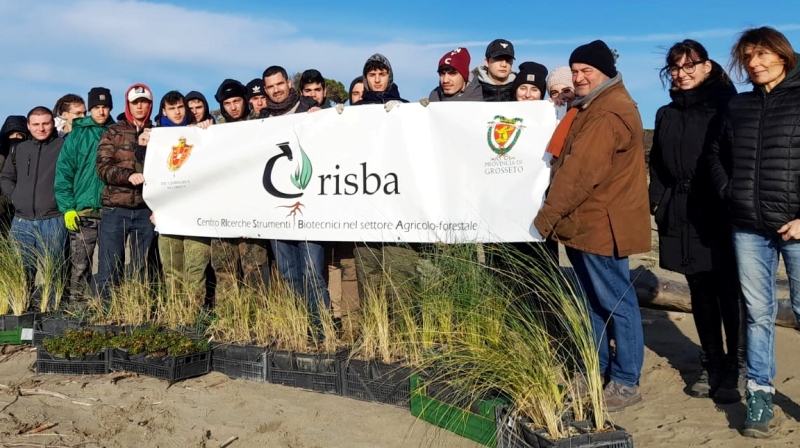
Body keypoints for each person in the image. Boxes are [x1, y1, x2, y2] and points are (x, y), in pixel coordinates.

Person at [533, 39, 650, 412]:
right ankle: (594, 369)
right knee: (591, 303)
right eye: (576, 71)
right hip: (588, 223)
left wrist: (546, 217)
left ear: (605, 73)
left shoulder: (606, 112)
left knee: (616, 301)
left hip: (602, 223)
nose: (580, 77)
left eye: (587, 71)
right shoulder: (591, 106)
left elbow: (580, 173)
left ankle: (626, 380)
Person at [708, 26, 800, 438]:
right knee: (758, 315)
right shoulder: (737, 107)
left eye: (762, 54)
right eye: (748, 57)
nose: (755, 64)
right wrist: (732, 194)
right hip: (748, 227)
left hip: (797, 228)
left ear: (783, 55)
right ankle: (760, 395)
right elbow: (715, 155)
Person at [649, 40, 742, 404]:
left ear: (707, 67)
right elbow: (657, 162)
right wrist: (657, 202)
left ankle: (735, 365)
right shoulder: (666, 113)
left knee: (728, 290)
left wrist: (729, 196)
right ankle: (711, 361)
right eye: (675, 67)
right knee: (699, 290)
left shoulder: (727, 106)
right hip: (680, 210)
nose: (682, 73)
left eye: (690, 65)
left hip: (719, 209)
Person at [262, 65, 330, 324]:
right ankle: (297, 328)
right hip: (276, 210)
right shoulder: (261, 120)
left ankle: (320, 329)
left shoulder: (310, 109)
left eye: (279, 83)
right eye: (270, 86)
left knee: (313, 272)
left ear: (288, 83)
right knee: (289, 273)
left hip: (309, 208)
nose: (276, 90)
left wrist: (320, 118)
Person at [94, 84, 156, 301]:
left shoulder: (159, 133)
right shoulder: (114, 132)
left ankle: (138, 310)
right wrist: (128, 175)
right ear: (128, 105)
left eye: (144, 102)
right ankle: (107, 311)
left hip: (145, 210)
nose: (140, 106)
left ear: (150, 104)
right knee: (110, 265)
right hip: (115, 209)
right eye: (135, 102)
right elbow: (102, 168)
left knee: (142, 267)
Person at [54, 87, 115, 303]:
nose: (101, 111)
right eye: (97, 107)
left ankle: (106, 306)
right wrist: (68, 207)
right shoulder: (78, 134)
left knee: (111, 264)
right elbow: (64, 172)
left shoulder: (117, 131)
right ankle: (77, 309)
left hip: (111, 211)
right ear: (90, 109)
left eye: (105, 107)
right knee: (80, 264)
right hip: (84, 211)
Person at [0, 106, 67, 303]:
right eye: (36, 124)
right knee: (21, 272)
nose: (41, 128)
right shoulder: (20, 149)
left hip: (53, 219)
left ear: (52, 124)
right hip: (22, 221)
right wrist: (15, 197)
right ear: (28, 126)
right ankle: (21, 313)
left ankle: (51, 315)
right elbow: (6, 177)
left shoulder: (62, 146)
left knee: (53, 272)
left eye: (45, 123)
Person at [152, 91, 212, 306]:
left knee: (195, 269)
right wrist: (154, 207)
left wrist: (206, 129)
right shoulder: (155, 137)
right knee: (172, 271)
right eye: (172, 108)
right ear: (164, 111)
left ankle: (193, 316)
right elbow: (151, 177)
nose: (177, 112)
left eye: (180, 107)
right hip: (168, 215)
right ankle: (177, 316)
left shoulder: (201, 131)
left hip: (197, 215)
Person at [210, 78, 267, 300]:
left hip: (253, 212)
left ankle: (255, 320)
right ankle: (228, 320)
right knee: (224, 269)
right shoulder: (214, 132)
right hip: (222, 213)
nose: (233, 107)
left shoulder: (262, 125)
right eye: (227, 103)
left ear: (244, 100)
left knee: (254, 270)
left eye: (236, 101)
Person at [0, 116, 27, 231]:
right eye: (11, 135)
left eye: (19, 135)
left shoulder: (30, 155)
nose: (14, 139)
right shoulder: (1, 156)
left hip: (23, 205)